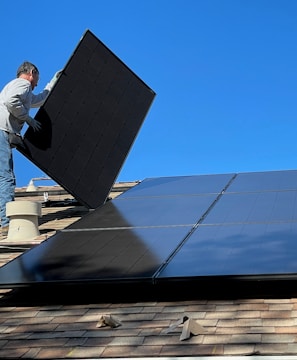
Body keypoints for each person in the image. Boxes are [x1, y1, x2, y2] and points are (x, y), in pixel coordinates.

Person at [0, 61, 61, 237]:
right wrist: (27, 119)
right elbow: (12, 101)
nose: (36, 84)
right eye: (37, 80)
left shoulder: (23, 90)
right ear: (31, 72)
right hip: (2, 132)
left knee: (3, 176)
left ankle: (3, 219)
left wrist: (53, 82)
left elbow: (39, 100)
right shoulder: (22, 84)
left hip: (3, 132)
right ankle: (5, 223)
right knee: (7, 178)